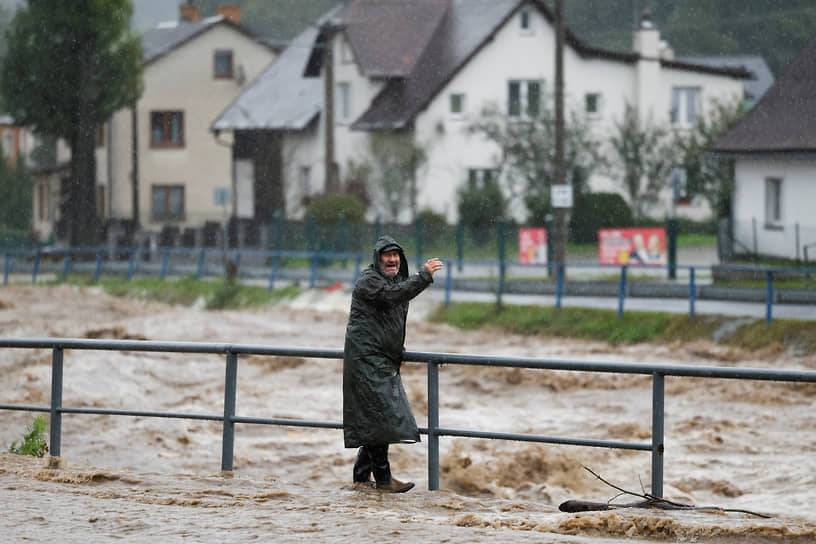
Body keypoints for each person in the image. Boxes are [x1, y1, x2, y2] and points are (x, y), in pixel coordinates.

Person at [343, 235, 444, 493]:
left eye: (395, 255)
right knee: (382, 419)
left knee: (379, 419)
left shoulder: (393, 280)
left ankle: (362, 476)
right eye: (387, 256)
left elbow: (388, 319)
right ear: (377, 259)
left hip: (380, 360)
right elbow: (391, 297)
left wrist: (396, 349)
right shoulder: (370, 281)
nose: (392, 260)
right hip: (367, 361)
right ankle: (384, 480)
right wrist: (424, 276)